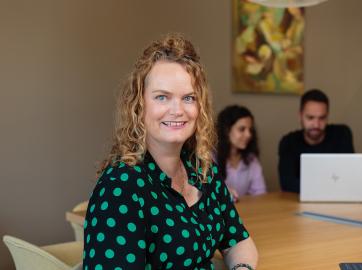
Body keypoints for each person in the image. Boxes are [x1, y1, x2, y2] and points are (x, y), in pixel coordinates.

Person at [83, 34, 258, 270]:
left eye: (188, 98)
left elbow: (238, 241)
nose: (177, 110)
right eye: (162, 97)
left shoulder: (203, 170)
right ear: (139, 105)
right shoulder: (120, 187)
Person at [278, 89, 355, 193]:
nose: (316, 124)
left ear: (327, 116)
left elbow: (350, 177)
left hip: (337, 199)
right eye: (310, 118)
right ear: (300, 116)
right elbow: (287, 184)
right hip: (299, 202)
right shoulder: (288, 142)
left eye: (322, 118)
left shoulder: (341, 135)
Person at [216, 105, 267, 201]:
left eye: (250, 130)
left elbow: (261, 195)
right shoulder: (209, 158)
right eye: (242, 129)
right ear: (226, 130)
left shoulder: (251, 160)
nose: (248, 135)